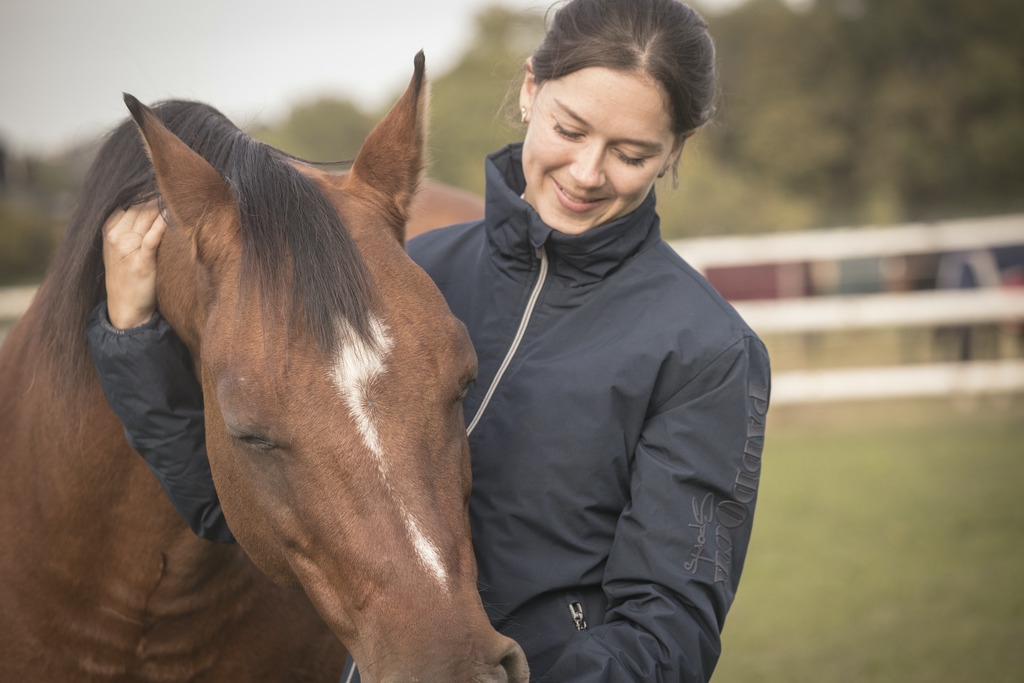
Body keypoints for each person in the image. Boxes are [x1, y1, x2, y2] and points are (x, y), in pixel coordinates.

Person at [87, 0, 771, 680]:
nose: (588, 172)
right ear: (530, 90)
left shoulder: (707, 351)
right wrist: (132, 339)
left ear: (674, 150)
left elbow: (668, 630)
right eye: (570, 129)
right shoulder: (412, 279)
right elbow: (239, 502)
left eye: (630, 153)